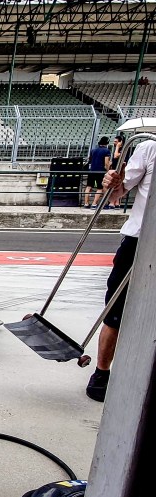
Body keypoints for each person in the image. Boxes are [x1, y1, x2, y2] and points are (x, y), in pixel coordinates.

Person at [86, 138, 156, 402]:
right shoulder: (150, 147)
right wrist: (111, 183)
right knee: (115, 311)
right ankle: (101, 372)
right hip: (140, 239)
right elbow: (116, 194)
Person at [82, 136, 111, 209]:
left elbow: (90, 160)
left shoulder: (93, 150)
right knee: (100, 187)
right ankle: (94, 204)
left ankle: (86, 203)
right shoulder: (106, 151)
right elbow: (106, 163)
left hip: (92, 170)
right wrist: (108, 170)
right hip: (100, 171)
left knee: (89, 186)